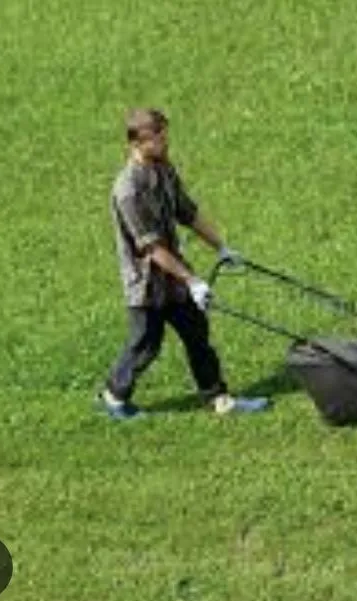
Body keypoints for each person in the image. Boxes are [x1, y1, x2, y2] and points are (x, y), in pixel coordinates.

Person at [96, 107, 270, 420]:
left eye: (165, 135)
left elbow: (187, 212)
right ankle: (113, 396)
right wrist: (192, 281)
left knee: (196, 332)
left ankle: (218, 398)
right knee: (145, 345)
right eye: (157, 138)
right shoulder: (128, 190)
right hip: (146, 283)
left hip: (173, 277)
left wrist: (222, 247)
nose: (165, 143)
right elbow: (151, 248)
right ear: (136, 143)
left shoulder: (164, 169)